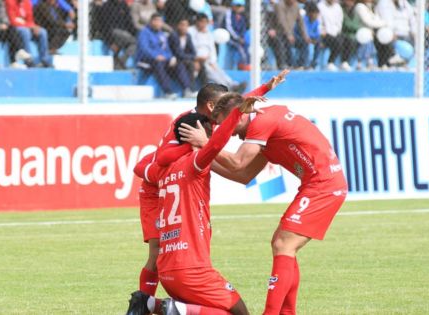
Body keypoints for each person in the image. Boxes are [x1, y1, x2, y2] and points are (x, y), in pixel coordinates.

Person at [124, 72, 290, 315]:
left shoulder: (198, 128)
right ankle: (149, 304)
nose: (229, 120)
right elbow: (150, 163)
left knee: (162, 252)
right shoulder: (192, 129)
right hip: (158, 191)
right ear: (212, 107)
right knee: (156, 251)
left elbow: (237, 105)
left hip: (169, 181)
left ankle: (153, 305)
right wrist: (164, 168)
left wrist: (265, 87)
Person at [180, 93, 348, 315]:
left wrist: (205, 143)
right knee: (283, 246)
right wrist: (200, 159)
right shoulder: (262, 127)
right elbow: (243, 174)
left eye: (224, 124)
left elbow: (239, 161)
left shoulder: (261, 123)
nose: (225, 133)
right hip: (318, 184)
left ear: (237, 116)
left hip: (323, 185)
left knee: (283, 245)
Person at [132, 98, 260, 315]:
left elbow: (142, 168)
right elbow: (217, 145)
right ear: (197, 135)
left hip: (167, 270)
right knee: (240, 312)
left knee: (206, 309)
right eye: (209, 132)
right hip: (192, 269)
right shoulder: (195, 162)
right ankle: (175, 309)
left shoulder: (161, 170)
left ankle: (150, 303)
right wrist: (238, 113)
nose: (211, 136)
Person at [136, 14, 195, 99]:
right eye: (157, 21)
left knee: (178, 63)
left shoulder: (161, 34)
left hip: (163, 59)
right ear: (152, 21)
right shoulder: (144, 32)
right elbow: (144, 49)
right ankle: (167, 92)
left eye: (161, 21)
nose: (159, 23)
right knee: (158, 64)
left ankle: (187, 90)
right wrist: (156, 56)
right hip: (146, 60)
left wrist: (170, 58)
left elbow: (167, 50)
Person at [189, 13, 247, 92]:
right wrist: (200, 58)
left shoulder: (208, 33)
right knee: (212, 73)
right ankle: (228, 88)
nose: (203, 24)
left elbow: (212, 49)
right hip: (198, 59)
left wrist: (212, 61)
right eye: (201, 22)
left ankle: (233, 84)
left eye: (205, 22)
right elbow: (192, 47)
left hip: (209, 59)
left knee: (219, 71)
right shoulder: (190, 31)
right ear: (196, 22)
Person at [5, 0, 53, 67]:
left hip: (27, 25)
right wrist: (29, 26)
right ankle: (28, 60)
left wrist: (33, 26)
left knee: (43, 32)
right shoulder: (10, 1)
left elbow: (30, 19)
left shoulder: (27, 2)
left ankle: (44, 59)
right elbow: (12, 20)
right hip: (15, 27)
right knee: (25, 32)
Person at [268, 0, 308, 69]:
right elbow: (281, 21)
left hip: (291, 34)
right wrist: (288, 34)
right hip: (278, 33)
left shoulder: (296, 7)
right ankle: (283, 64)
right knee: (280, 42)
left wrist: (305, 36)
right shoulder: (279, 6)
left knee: (304, 42)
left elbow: (301, 22)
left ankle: (301, 65)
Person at [99, 0, 138, 69]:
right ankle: (121, 62)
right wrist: (110, 42)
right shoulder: (106, 6)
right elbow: (103, 26)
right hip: (113, 31)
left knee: (133, 43)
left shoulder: (123, 5)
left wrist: (137, 33)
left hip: (124, 33)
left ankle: (118, 63)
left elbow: (129, 22)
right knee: (135, 42)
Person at [0, 0, 30, 68]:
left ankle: (15, 59)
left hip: (2, 29)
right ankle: (16, 55)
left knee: (12, 29)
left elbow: (4, 16)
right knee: (11, 31)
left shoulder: (1, 3)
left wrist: (5, 24)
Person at [169, 18, 198, 94]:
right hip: (173, 60)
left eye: (186, 25)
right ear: (178, 26)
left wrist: (191, 57)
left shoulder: (188, 36)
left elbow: (194, 52)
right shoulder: (174, 35)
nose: (184, 27)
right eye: (182, 25)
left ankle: (192, 89)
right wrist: (190, 57)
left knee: (192, 64)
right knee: (181, 65)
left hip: (183, 59)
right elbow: (178, 53)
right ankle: (186, 89)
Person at [318, 0, 346, 71]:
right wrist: (322, 31)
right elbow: (318, 22)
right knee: (336, 42)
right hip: (324, 34)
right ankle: (330, 62)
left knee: (346, 40)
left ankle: (344, 62)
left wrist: (337, 31)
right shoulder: (320, 6)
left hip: (336, 32)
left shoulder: (338, 7)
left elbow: (339, 22)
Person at [224, 0, 251, 70]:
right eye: (237, 6)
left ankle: (246, 64)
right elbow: (228, 27)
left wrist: (242, 37)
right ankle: (244, 65)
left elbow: (244, 27)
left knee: (247, 45)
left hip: (240, 38)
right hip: (230, 38)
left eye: (241, 6)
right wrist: (237, 38)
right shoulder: (229, 13)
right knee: (240, 48)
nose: (239, 8)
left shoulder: (243, 15)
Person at [294, 2, 321, 70]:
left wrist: (314, 38)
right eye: (315, 14)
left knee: (319, 43)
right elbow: (304, 32)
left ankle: (313, 64)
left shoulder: (316, 21)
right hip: (298, 37)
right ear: (310, 13)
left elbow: (317, 33)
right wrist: (310, 37)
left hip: (310, 38)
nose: (316, 16)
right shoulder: (304, 19)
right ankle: (302, 64)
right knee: (305, 43)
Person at [342, 0, 366, 70]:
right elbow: (346, 24)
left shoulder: (355, 12)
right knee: (350, 40)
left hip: (356, 33)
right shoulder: (342, 11)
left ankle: (359, 62)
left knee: (365, 40)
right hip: (346, 34)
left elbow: (359, 24)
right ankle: (345, 62)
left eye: (352, 1)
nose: (350, 2)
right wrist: (355, 28)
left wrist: (356, 28)